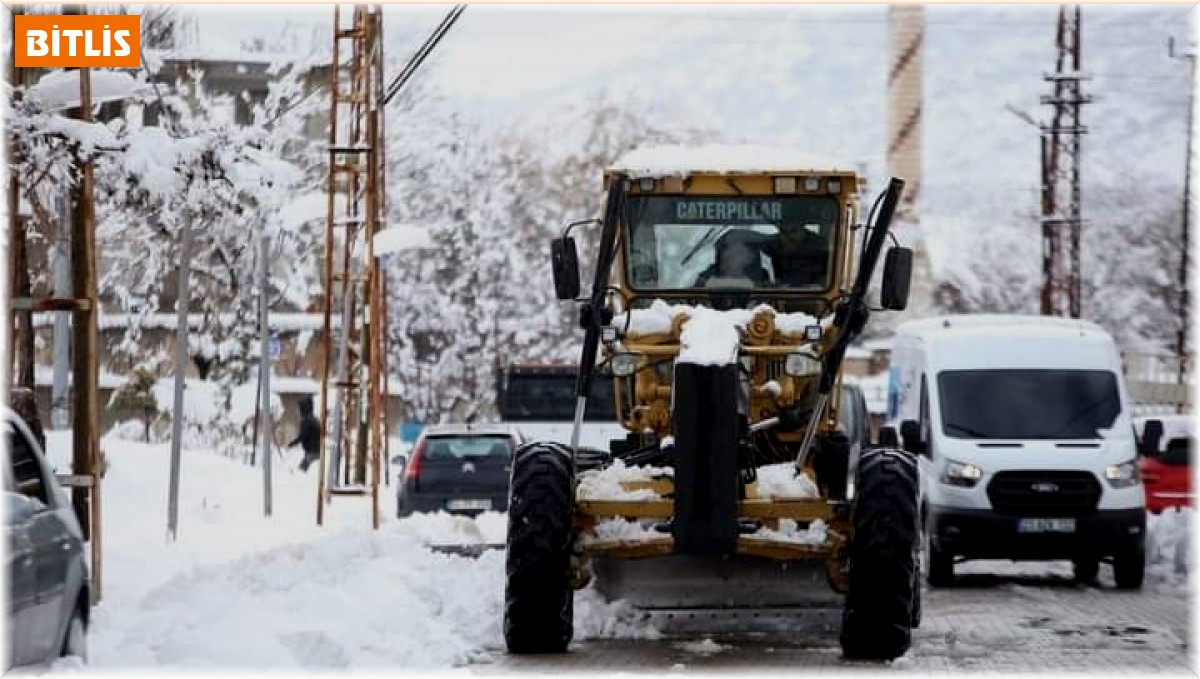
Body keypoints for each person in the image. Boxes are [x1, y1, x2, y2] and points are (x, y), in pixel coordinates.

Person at [693, 235, 772, 288]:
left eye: (739, 252)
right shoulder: (703, 281)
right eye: (727, 250)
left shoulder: (763, 286)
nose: (730, 256)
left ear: (751, 258)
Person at [289, 396, 321, 472]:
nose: (299, 411)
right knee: (306, 469)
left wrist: (292, 443)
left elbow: (303, 435)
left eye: (300, 408)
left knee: (302, 471)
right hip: (316, 450)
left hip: (312, 451)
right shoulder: (314, 419)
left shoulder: (306, 421)